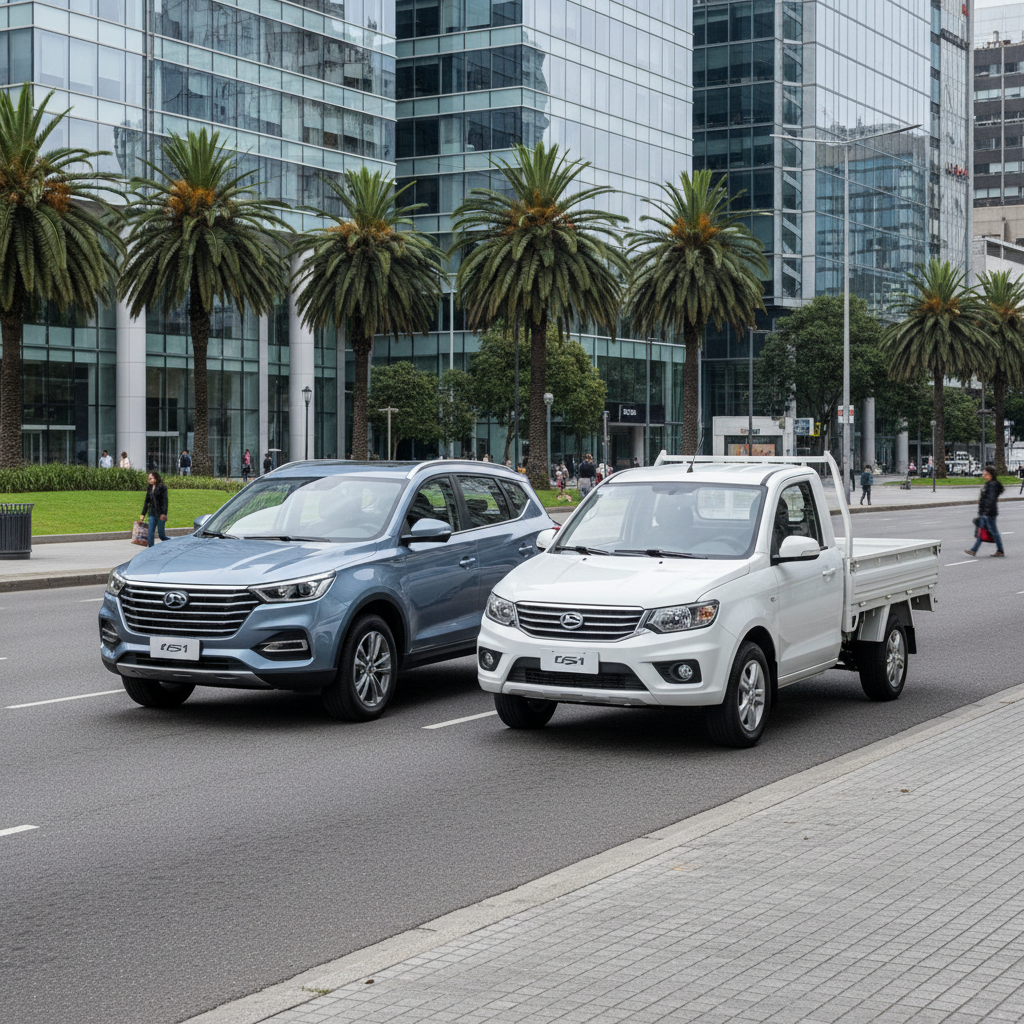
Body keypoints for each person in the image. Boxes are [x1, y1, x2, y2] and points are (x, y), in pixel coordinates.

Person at [966, 465, 1005, 557]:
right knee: (982, 531)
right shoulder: (989, 484)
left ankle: (1000, 550)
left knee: (993, 532)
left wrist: (985, 512)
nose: (984, 476)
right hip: (985, 512)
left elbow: (990, 500)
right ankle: (973, 550)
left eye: (986, 474)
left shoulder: (992, 485)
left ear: (991, 475)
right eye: (983, 474)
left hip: (989, 513)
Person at [141, 471, 169, 547]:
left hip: (160, 514)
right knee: (150, 533)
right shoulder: (150, 487)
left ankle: (172, 542)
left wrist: (164, 513)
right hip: (152, 513)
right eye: (148, 479)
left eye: (151, 478)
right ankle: (151, 549)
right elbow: (147, 501)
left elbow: (165, 501)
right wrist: (143, 513)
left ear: (156, 478)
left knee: (161, 535)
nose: (149, 480)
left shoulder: (162, 487)